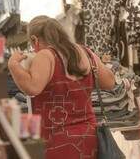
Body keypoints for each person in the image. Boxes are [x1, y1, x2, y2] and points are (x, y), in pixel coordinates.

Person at [8, 16, 115, 159]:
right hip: (89, 137)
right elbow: (109, 82)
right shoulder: (85, 53)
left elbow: (32, 87)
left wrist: (13, 65)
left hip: (57, 141)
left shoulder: (46, 55)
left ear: (35, 39)